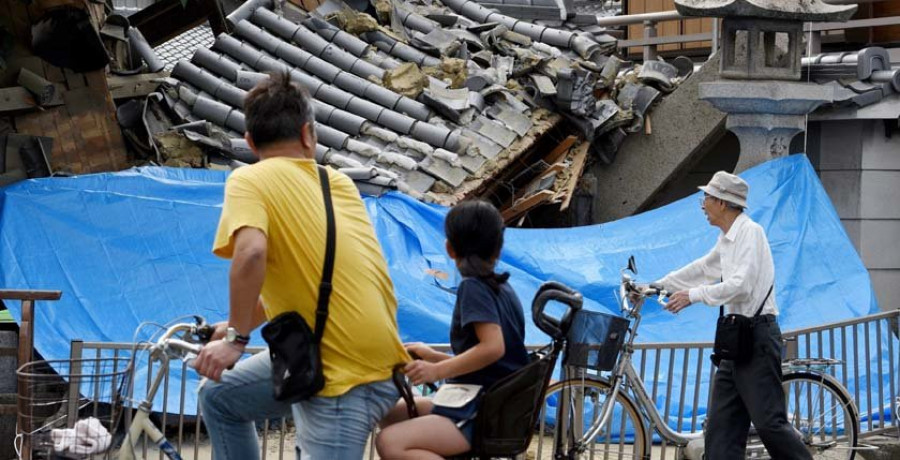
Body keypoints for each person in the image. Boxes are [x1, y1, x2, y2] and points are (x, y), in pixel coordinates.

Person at [192, 72, 409, 460]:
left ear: (250, 142)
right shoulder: (338, 183)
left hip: (341, 374)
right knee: (219, 396)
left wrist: (236, 340)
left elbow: (252, 253)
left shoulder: (249, 180)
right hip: (374, 353)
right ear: (309, 135)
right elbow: (315, 276)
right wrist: (236, 324)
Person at [650, 171, 812, 459]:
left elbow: (742, 286)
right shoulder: (727, 238)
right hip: (735, 343)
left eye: (707, 197)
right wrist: (658, 284)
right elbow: (703, 268)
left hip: (758, 338)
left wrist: (693, 295)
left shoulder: (751, 233)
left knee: (769, 423)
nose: (703, 204)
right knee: (721, 430)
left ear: (723, 203)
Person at [375, 200, 529, 460]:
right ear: (498, 248)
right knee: (391, 413)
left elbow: (493, 348)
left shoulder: (474, 288)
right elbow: (492, 364)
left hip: (479, 412)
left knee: (390, 443)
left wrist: (435, 370)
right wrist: (431, 354)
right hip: (487, 404)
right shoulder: (504, 290)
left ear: (449, 248)